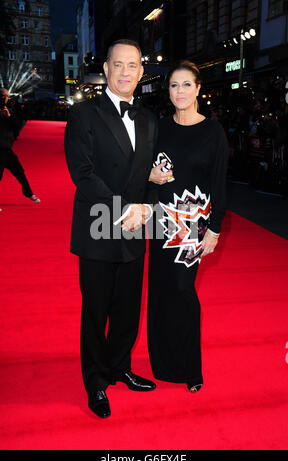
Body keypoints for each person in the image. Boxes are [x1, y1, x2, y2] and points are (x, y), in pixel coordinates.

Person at [64, 39, 158, 419]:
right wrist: (125, 211)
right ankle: (95, 380)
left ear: (140, 71)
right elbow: (83, 174)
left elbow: (152, 173)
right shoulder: (85, 115)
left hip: (136, 223)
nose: (124, 72)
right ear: (105, 69)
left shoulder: (150, 118)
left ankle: (120, 366)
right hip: (102, 223)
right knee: (96, 309)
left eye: (132, 65)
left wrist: (147, 208)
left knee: (127, 308)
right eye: (117, 65)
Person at [147, 61, 228, 393]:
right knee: (160, 291)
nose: (179, 91)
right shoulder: (159, 128)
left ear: (198, 89)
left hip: (192, 223)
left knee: (182, 290)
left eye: (185, 85)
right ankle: (163, 363)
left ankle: (190, 367)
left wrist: (215, 229)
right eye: (173, 86)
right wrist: (149, 177)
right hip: (159, 220)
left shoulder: (213, 132)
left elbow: (219, 183)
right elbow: (143, 169)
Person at [0, 88, 40, 211]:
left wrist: (9, 116)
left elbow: (18, 126)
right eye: (5, 96)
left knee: (20, 172)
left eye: (7, 96)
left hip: (7, 149)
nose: (6, 98)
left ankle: (29, 193)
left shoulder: (8, 110)